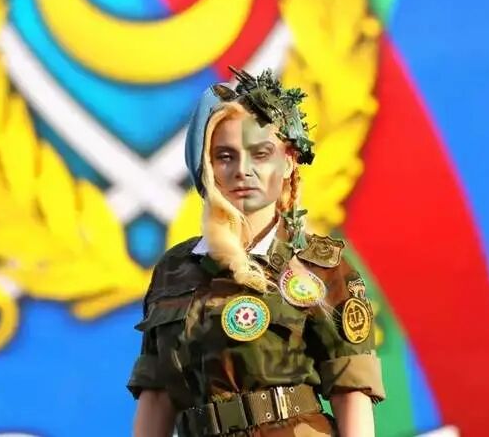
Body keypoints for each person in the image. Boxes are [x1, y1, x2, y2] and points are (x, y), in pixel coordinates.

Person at [128, 67, 385, 437]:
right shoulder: (175, 269)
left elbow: (352, 392)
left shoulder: (319, 267)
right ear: (207, 167)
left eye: (260, 154)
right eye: (225, 156)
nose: (242, 171)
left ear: (288, 161)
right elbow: (156, 396)